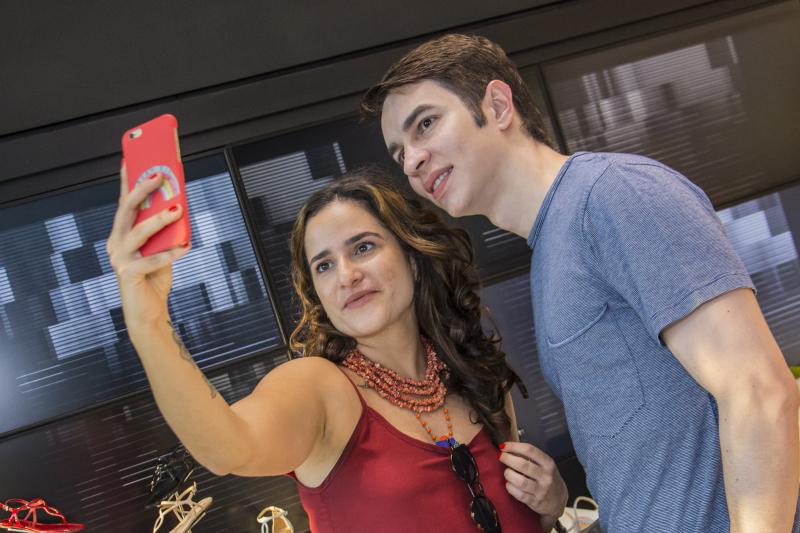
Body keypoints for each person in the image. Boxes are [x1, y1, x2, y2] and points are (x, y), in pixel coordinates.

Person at [362, 33, 800, 532]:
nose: (412, 161)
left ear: (498, 106)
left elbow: (758, 391)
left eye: (425, 124)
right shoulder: (551, 250)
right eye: (399, 154)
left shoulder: (612, 193)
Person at [106, 166, 568, 532]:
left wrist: (551, 505)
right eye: (324, 265)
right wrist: (149, 323)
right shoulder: (319, 388)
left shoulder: (472, 375)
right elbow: (226, 448)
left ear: (411, 257)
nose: (346, 275)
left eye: (363, 247)